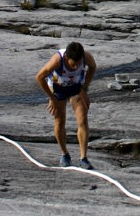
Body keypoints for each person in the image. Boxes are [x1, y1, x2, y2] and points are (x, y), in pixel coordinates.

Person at [36, 41, 97, 169]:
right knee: (59, 120)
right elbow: (40, 77)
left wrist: (85, 88)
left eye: (78, 64)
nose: (75, 67)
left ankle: (83, 158)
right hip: (58, 87)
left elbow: (93, 67)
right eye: (73, 64)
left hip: (76, 87)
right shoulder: (57, 60)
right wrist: (51, 98)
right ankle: (65, 154)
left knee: (82, 119)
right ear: (66, 58)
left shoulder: (86, 57)